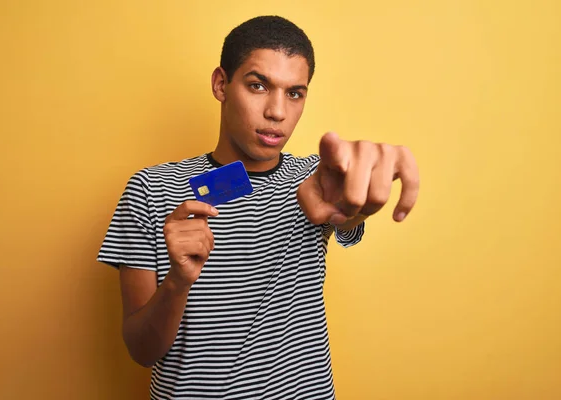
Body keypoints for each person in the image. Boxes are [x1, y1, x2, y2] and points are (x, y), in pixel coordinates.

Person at [97, 15, 419, 400]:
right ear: (221, 84)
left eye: (294, 93)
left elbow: (346, 218)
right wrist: (177, 283)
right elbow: (140, 350)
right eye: (257, 86)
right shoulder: (151, 189)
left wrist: (355, 204)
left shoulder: (315, 179)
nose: (277, 112)